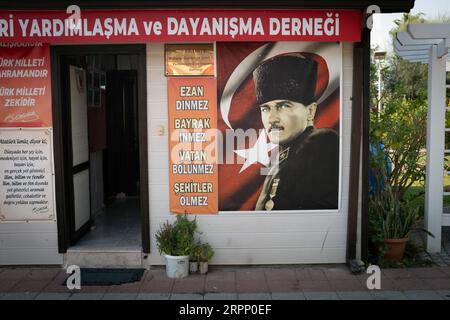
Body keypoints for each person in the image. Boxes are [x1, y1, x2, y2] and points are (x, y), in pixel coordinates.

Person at [253, 54, 339, 211]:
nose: (271, 118)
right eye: (265, 109)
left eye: (284, 106)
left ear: (310, 111)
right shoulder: (280, 159)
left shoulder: (321, 142)